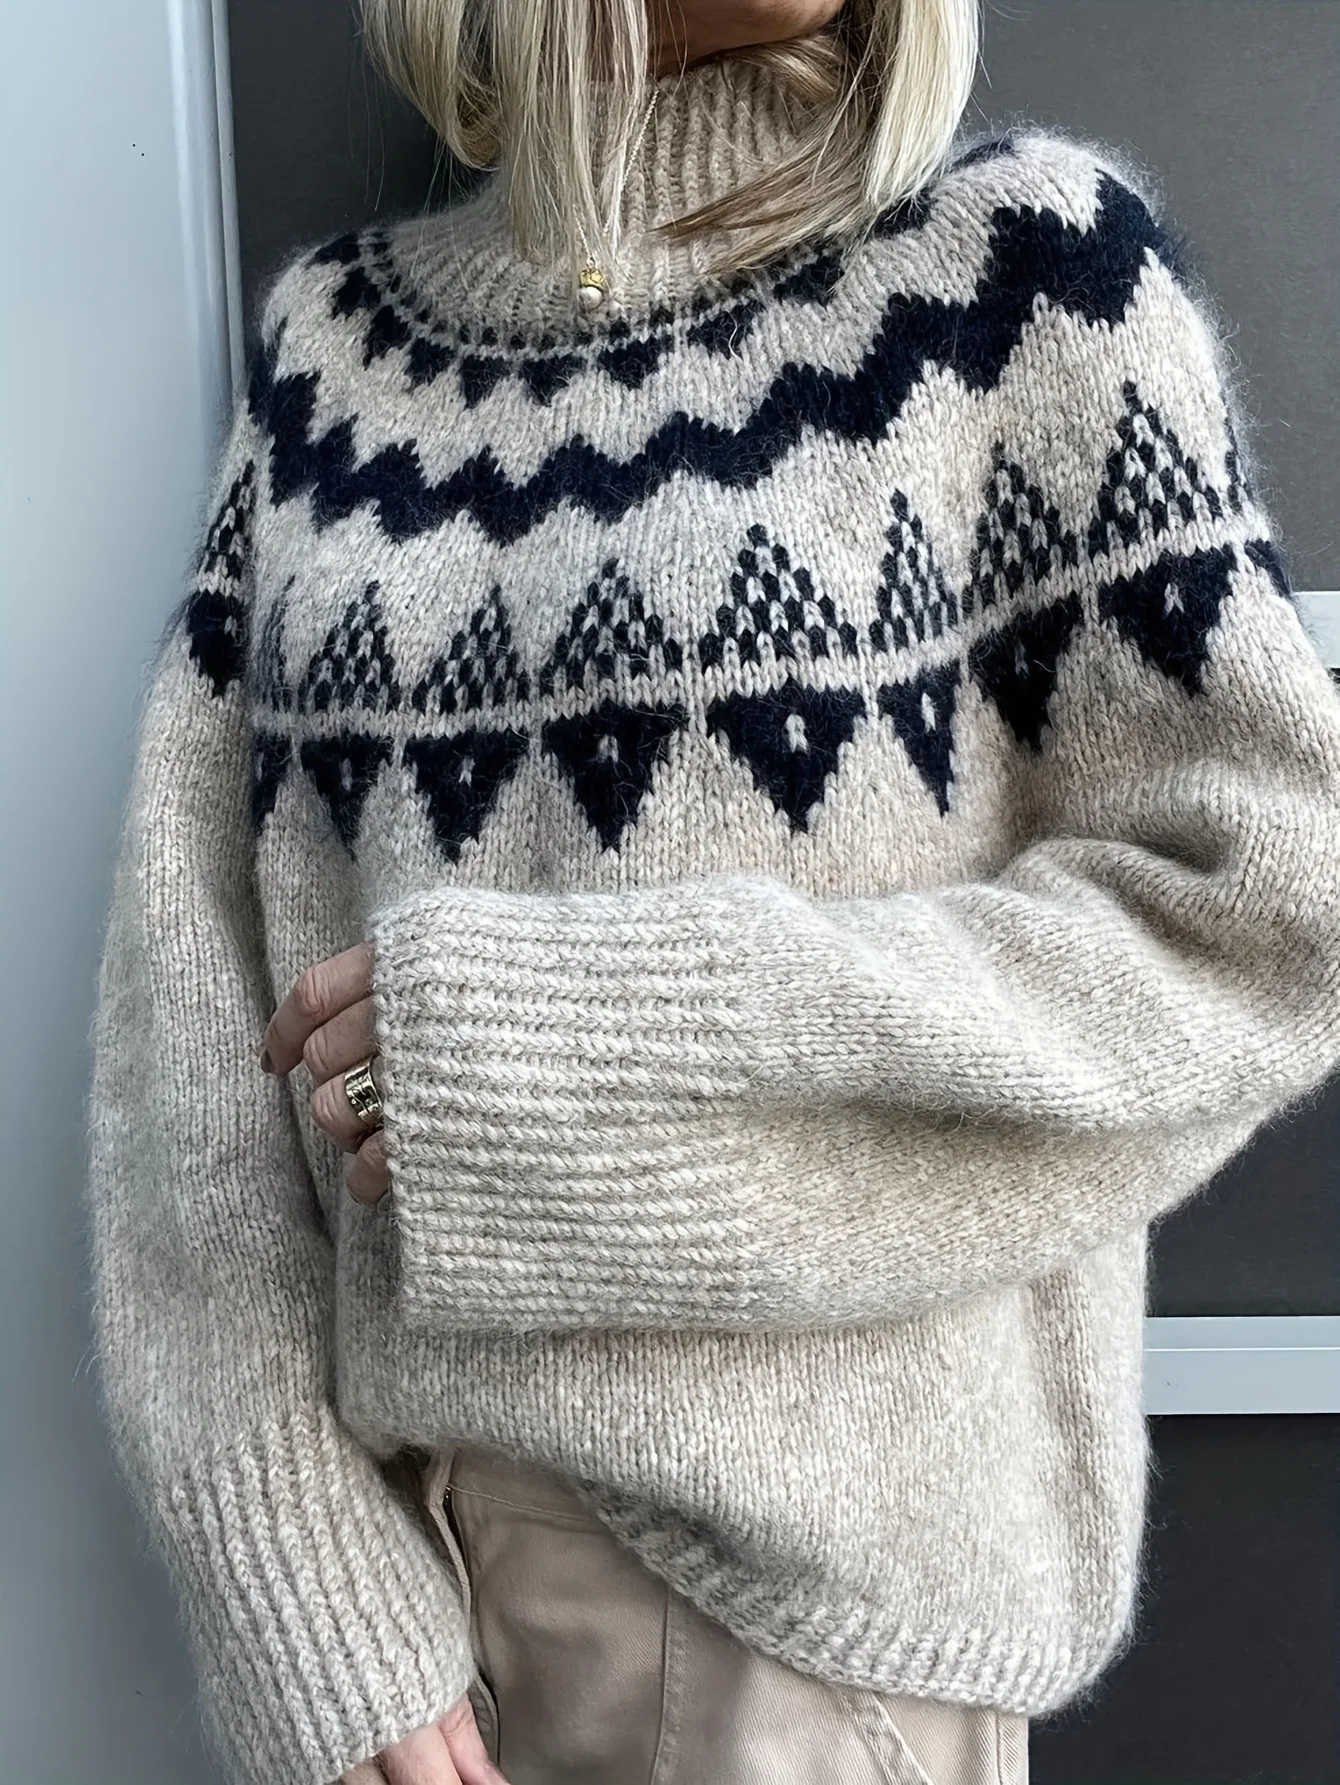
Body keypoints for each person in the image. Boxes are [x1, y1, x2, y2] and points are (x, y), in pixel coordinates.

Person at [83, 0, 1340, 1781]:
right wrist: (301, 1580)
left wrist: (584, 1063)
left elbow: (1272, 917)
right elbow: (189, 1024)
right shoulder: (334, 355)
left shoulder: (1015, 274)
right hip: (408, 1593)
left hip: (787, 1633)